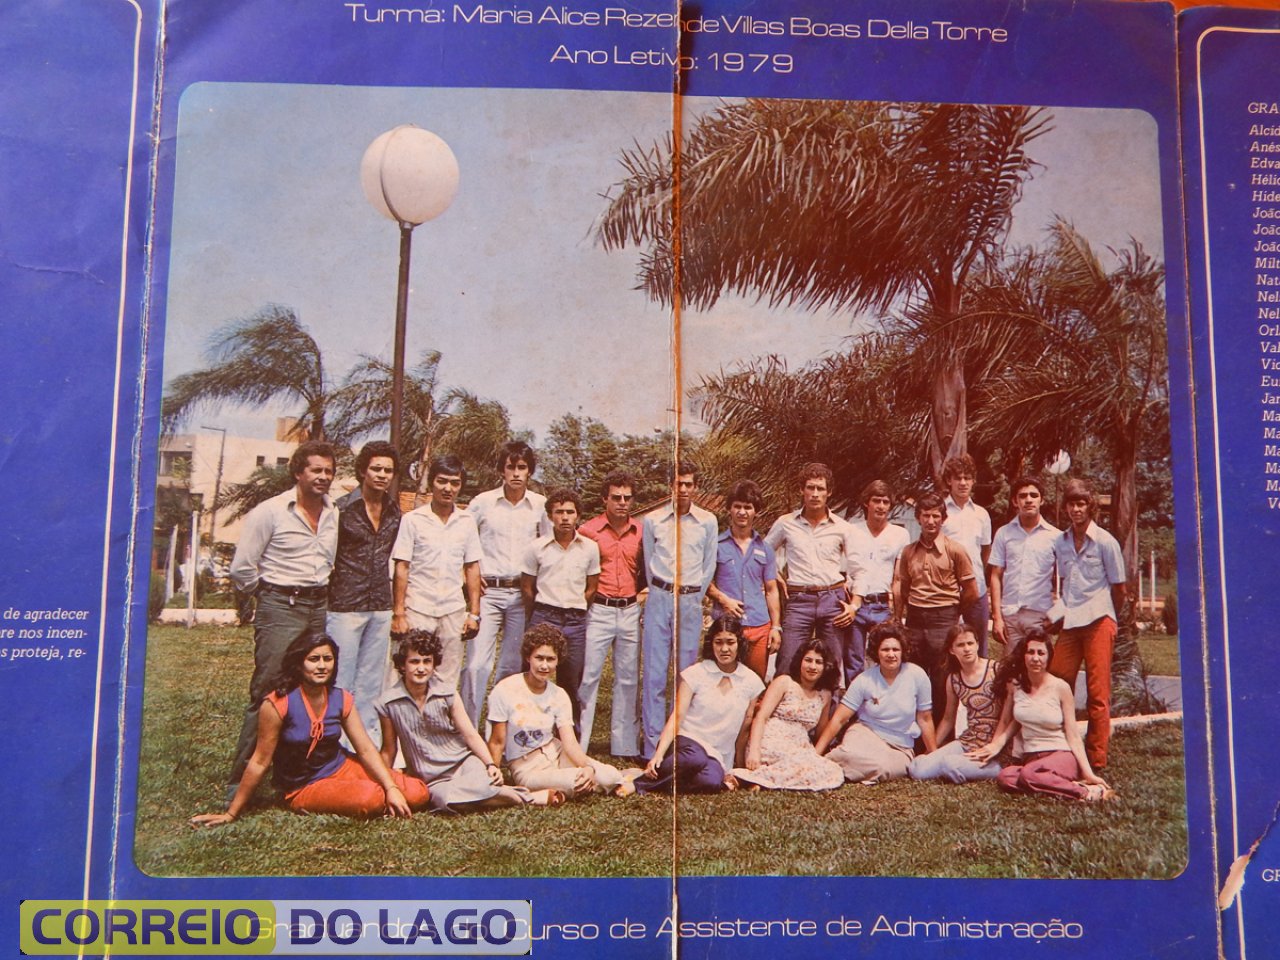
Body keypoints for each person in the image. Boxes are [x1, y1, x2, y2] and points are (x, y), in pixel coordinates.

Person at [191, 633, 429, 826]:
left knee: (418, 792)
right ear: (298, 663)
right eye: (313, 659)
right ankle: (362, 798)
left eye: (328, 659)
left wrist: (391, 787)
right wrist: (232, 813)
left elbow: (365, 749)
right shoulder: (277, 703)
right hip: (304, 785)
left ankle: (380, 795)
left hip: (341, 766)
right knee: (371, 797)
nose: (322, 666)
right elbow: (260, 761)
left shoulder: (340, 698)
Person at [225, 440, 339, 793]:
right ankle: (242, 784)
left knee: (311, 689)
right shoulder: (270, 511)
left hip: (318, 605)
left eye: (329, 472)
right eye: (316, 470)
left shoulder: (334, 512)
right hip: (280, 606)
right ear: (298, 472)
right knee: (269, 691)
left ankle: (295, 775)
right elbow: (242, 567)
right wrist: (267, 595)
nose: (323, 477)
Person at [377, 630, 563, 811]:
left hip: (463, 763)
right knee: (447, 800)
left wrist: (490, 764)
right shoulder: (388, 702)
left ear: (434, 665)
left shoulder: (447, 693)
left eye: (427, 662)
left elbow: (470, 734)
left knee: (479, 786)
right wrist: (385, 787)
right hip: (432, 778)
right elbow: (389, 749)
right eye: (414, 662)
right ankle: (522, 796)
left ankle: (512, 795)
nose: (421, 668)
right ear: (402, 665)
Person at [485, 624, 633, 798]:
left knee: (605, 775)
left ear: (558, 660)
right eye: (539, 658)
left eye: (550, 659)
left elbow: (569, 743)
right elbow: (496, 741)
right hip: (526, 767)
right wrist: (492, 770)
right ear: (528, 657)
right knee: (577, 782)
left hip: (556, 751)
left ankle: (621, 777)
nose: (544, 666)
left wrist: (587, 767)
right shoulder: (505, 689)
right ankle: (617, 781)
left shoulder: (559, 694)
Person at [969, 629, 1113, 802]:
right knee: (1005, 777)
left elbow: (1073, 735)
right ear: (1023, 656)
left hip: (1060, 755)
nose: (1035, 658)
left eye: (1041, 653)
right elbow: (1009, 720)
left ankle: (1087, 793)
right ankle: (1060, 785)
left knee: (1028, 775)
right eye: (1030, 652)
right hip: (1031, 757)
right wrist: (995, 745)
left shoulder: (1061, 687)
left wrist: (1088, 773)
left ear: (1048, 657)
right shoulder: (1016, 685)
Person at [464, 440, 550, 725]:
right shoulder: (482, 503)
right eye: (510, 467)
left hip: (521, 596)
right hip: (487, 593)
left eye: (522, 468)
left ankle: (500, 731)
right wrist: (467, 580)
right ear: (502, 469)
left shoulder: (540, 506)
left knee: (511, 666)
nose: (516, 473)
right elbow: (461, 541)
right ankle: (469, 731)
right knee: (477, 666)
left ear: (530, 472)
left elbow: (548, 548)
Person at [640, 462, 719, 756]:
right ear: (669, 486)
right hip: (660, 596)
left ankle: (677, 744)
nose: (683, 489)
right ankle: (651, 747)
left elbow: (708, 564)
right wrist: (662, 591)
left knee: (686, 675)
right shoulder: (653, 520)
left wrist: (694, 596)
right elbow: (649, 562)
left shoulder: (708, 522)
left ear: (695, 487)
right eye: (677, 483)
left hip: (689, 600)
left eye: (688, 484)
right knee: (655, 673)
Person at [636, 617, 765, 795]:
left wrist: (739, 767)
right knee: (695, 758)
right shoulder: (696, 673)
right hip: (688, 741)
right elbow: (677, 716)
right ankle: (638, 783)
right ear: (711, 644)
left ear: (740, 643)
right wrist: (658, 754)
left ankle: (662, 779)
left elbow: (744, 729)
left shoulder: (752, 681)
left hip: (717, 754)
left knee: (711, 782)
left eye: (730, 642)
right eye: (718, 642)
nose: (724, 649)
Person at [327, 440, 401, 746]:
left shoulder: (395, 512)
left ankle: (364, 746)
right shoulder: (341, 509)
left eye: (388, 470)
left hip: (380, 604)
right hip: (345, 604)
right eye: (376, 468)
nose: (382, 475)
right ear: (362, 471)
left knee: (371, 680)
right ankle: (336, 744)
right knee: (342, 678)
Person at [1051, 478, 1126, 770]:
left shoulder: (1106, 542)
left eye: (1081, 503)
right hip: (1071, 622)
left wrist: (1109, 617)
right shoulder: (1061, 541)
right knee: (1057, 682)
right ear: (1066, 507)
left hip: (1098, 621)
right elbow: (1063, 584)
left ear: (1090, 506)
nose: (1076, 509)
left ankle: (1096, 758)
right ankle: (1058, 749)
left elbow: (1119, 589)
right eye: (1071, 503)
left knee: (1097, 692)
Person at [390, 455, 482, 690]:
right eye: (442, 481)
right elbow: (402, 566)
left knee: (446, 677)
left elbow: (472, 567)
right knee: (410, 673)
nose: (448, 488)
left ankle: (440, 725)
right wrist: (399, 613)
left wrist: (474, 613)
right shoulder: (413, 520)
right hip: (418, 608)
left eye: (454, 482)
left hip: (452, 610)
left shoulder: (466, 521)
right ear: (432, 482)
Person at [764, 463, 860, 678]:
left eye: (820, 489)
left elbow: (859, 568)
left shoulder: (842, 527)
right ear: (802, 490)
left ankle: (830, 711)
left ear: (829, 492)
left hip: (832, 599)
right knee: (787, 661)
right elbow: (762, 553)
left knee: (832, 665)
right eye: (810, 488)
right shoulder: (786, 523)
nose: (815, 494)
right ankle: (782, 710)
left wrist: (854, 605)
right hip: (799, 600)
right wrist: (776, 576)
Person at [814, 621, 936, 784]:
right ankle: (827, 762)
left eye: (895, 649)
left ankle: (838, 766)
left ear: (903, 651)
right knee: (849, 754)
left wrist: (934, 756)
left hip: (900, 746)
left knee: (883, 768)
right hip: (865, 734)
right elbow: (839, 719)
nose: (890, 654)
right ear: (877, 653)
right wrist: (816, 753)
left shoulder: (917, 675)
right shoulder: (864, 679)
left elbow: (925, 718)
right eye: (885, 649)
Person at [577, 471, 646, 759]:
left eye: (627, 498)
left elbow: (647, 568)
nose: (621, 503)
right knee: (589, 676)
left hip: (630, 609)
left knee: (628, 678)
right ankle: (579, 743)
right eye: (615, 497)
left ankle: (624, 745)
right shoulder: (587, 531)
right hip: (599, 609)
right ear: (605, 498)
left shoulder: (642, 532)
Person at [522, 488, 601, 734]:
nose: (565, 517)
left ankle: (568, 736)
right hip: (545, 614)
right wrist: (539, 613)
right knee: (536, 674)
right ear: (550, 516)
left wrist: (574, 608)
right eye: (559, 512)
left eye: (570, 512)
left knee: (571, 678)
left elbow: (591, 588)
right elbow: (527, 587)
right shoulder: (537, 548)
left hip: (575, 620)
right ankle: (531, 730)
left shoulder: (589, 548)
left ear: (578, 515)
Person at [892, 492, 977, 713]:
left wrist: (954, 612)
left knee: (942, 682)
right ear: (918, 517)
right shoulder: (909, 552)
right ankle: (916, 738)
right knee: (913, 678)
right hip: (915, 621)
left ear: (943, 519)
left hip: (944, 620)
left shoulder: (955, 550)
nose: (931, 521)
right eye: (926, 516)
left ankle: (942, 739)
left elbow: (971, 591)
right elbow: (903, 587)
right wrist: (898, 618)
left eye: (936, 516)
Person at [734, 639, 843, 791]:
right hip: (769, 740)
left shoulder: (825, 695)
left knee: (830, 770)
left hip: (799, 746)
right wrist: (754, 750)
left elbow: (820, 732)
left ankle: (758, 780)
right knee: (799, 764)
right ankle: (761, 777)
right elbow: (761, 717)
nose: (812, 666)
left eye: (818, 662)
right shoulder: (784, 682)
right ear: (800, 662)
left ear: (826, 667)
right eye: (808, 660)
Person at [705, 480, 782, 681]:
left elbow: (772, 590)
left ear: (755, 511)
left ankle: (752, 714)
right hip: (726, 627)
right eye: (737, 506)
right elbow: (704, 582)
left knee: (755, 683)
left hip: (759, 626)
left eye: (747, 507)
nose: (742, 512)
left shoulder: (765, 549)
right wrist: (723, 600)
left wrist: (775, 627)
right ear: (729, 509)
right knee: (723, 682)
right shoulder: (716, 545)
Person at [910, 623, 1003, 783]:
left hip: (995, 749)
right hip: (969, 741)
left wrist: (997, 745)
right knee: (917, 769)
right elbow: (948, 719)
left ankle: (989, 769)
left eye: (970, 643)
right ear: (952, 650)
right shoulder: (954, 679)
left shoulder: (996, 670)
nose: (966, 649)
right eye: (960, 645)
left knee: (949, 764)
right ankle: (961, 766)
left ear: (977, 645)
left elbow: (1009, 714)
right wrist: (930, 751)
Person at [846, 479, 909, 685]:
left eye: (885, 502)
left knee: (883, 658)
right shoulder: (852, 531)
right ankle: (853, 708)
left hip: (882, 604)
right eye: (876, 501)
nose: (881, 506)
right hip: (856, 603)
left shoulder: (900, 534)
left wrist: (897, 614)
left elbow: (898, 577)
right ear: (867, 503)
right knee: (854, 659)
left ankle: (880, 705)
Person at [989, 475, 1060, 649]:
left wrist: (1058, 614)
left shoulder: (1056, 537)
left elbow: (1066, 580)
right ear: (1015, 501)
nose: (1028, 500)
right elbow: (995, 576)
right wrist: (997, 617)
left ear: (1041, 500)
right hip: (1010, 616)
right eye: (1023, 496)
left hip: (1040, 616)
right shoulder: (1003, 534)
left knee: (1037, 670)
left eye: (1034, 495)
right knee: (1011, 672)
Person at [941, 454, 993, 654]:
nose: (963, 483)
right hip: (947, 592)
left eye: (967, 478)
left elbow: (985, 551)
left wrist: (974, 575)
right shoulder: (940, 511)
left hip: (977, 590)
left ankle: (981, 686)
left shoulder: (981, 514)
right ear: (949, 481)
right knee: (948, 648)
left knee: (978, 647)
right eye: (958, 478)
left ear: (973, 481)